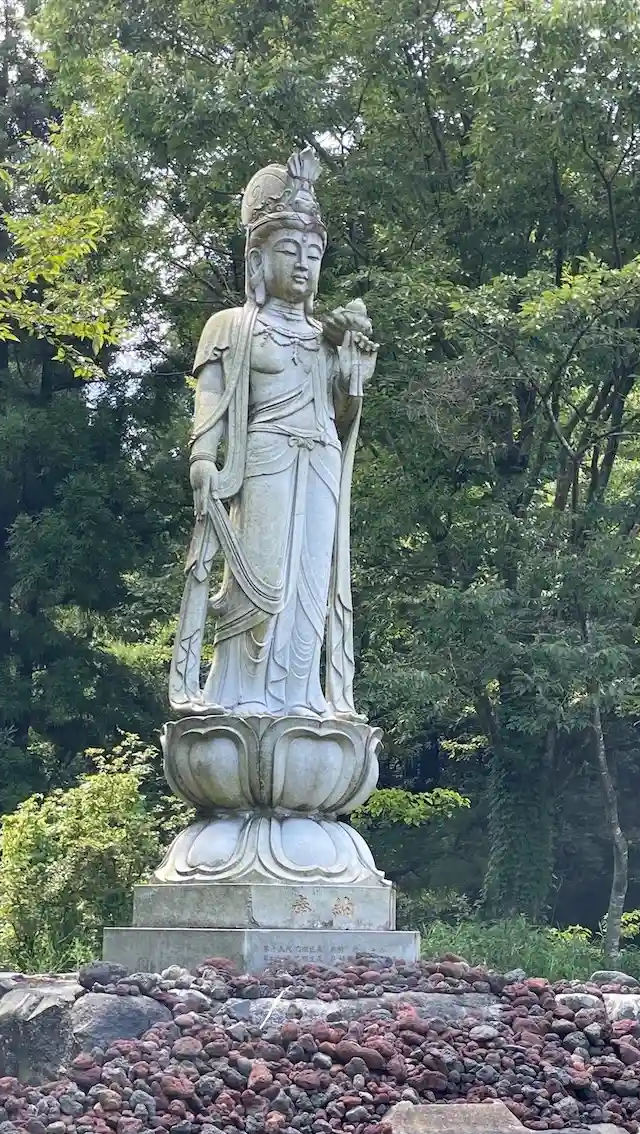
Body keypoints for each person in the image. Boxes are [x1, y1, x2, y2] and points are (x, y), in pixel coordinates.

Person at [168, 146, 378, 718]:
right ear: (258, 260)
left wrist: (352, 366)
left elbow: (341, 413)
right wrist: (203, 458)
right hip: (264, 459)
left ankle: (302, 697)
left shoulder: (323, 338)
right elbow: (211, 398)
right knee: (260, 578)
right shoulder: (233, 326)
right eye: (289, 250)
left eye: (313, 253)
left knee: (311, 584)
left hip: (321, 461)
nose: (303, 265)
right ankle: (238, 695)